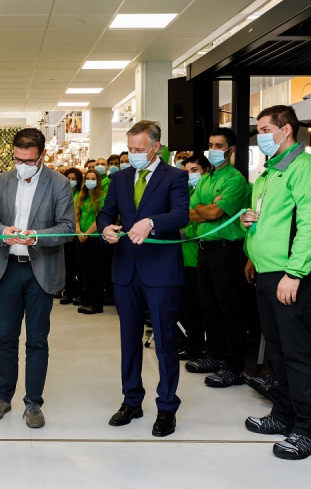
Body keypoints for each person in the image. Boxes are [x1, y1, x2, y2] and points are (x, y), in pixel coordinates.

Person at [241, 105, 311, 460]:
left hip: (295, 276)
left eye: (266, 129)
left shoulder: (305, 169)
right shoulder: (269, 174)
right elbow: (272, 220)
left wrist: (293, 273)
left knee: (300, 353)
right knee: (278, 351)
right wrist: (251, 239)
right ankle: (284, 415)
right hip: (268, 273)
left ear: (286, 130)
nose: (261, 135)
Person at [98, 120, 189, 437]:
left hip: (161, 270)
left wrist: (151, 221)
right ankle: (131, 400)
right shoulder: (120, 178)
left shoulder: (175, 177)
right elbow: (106, 212)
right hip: (126, 269)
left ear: (156, 148)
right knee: (129, 340)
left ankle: (166, 407)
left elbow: (180, 214)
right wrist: (106, 228)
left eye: (139, 150)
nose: (133, 155)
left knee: (164, 341)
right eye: (130, 150)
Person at [0, 128, 75, 429]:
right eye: (17, 159)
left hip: (40, 271)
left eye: (29, 160)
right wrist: (2, 232)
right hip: (9, 269)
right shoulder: (3, 181)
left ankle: (33, 402)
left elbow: (66, 228)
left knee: (37, 340)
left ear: (41, 156)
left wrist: (36, 236)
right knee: (5, 337)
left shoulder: (59, 184)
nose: (22, 165)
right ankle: (2, 397)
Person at [184, 128, 251, 387]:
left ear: (230, 149)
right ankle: (214, 355)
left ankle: (233, 366)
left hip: (227, 252)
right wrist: (207, 208)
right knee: (209, 306)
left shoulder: (235, 180)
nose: (212, 150)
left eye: (218, 145)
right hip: (205, 250)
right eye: (210, 144)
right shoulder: (206, 179)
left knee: (229, 309)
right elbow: (192, 211)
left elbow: (213, 213)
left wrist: (206, 209)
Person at [179, 155, 210, 360]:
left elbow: (199, 224)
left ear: (205, 170)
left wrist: (185, 230)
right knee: (189, 308)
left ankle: (205, 348)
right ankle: (193, 346)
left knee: (204, 307)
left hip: (199, 257)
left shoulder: (204, 195)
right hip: (184, 258)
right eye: (187, 171)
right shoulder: (186, 193)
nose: (190, 175)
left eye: (194, 170)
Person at [75, 169, 107, 314]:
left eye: (93, 178)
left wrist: (86, 234)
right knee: (84, 270)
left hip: (94, 238)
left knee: (95, 271)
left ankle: (96, 303)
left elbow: (100, 218)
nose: (90, 181)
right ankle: (86, 299)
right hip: (80, 237)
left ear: (97, 181)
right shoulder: (80, 197)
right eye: (88, 178)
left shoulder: (102, 197)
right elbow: (75, 216)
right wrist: (79, 232)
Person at [59, 167, 83, 305]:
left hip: (77, 234)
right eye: (68, 178)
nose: (71, 181)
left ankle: (78, 292)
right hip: (64, 235)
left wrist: (74, 231)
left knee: (78, 266)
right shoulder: (62, 193)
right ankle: (67, 291)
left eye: (74, 179)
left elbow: (78, 215)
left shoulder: (80, 194)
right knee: (66, 265)